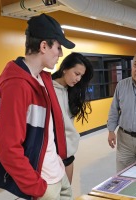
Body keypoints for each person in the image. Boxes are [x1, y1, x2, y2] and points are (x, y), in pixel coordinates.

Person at [0, 13, 75, 200]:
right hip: (43, 182)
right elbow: (8, 148)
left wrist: (58, 161)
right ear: (43, 46)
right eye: (58, 47)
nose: (61, 54)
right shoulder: (17, 86)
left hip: (56, 170)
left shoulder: (43, 79)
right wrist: (36, 187)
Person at [52, 52, 94, 183]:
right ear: (64, 68)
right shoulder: (47, 89)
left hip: (67, 153)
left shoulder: (73, 91)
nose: (78, 79)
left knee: (66, 193)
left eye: (81, 76)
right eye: (76, 74)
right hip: (50, 154)